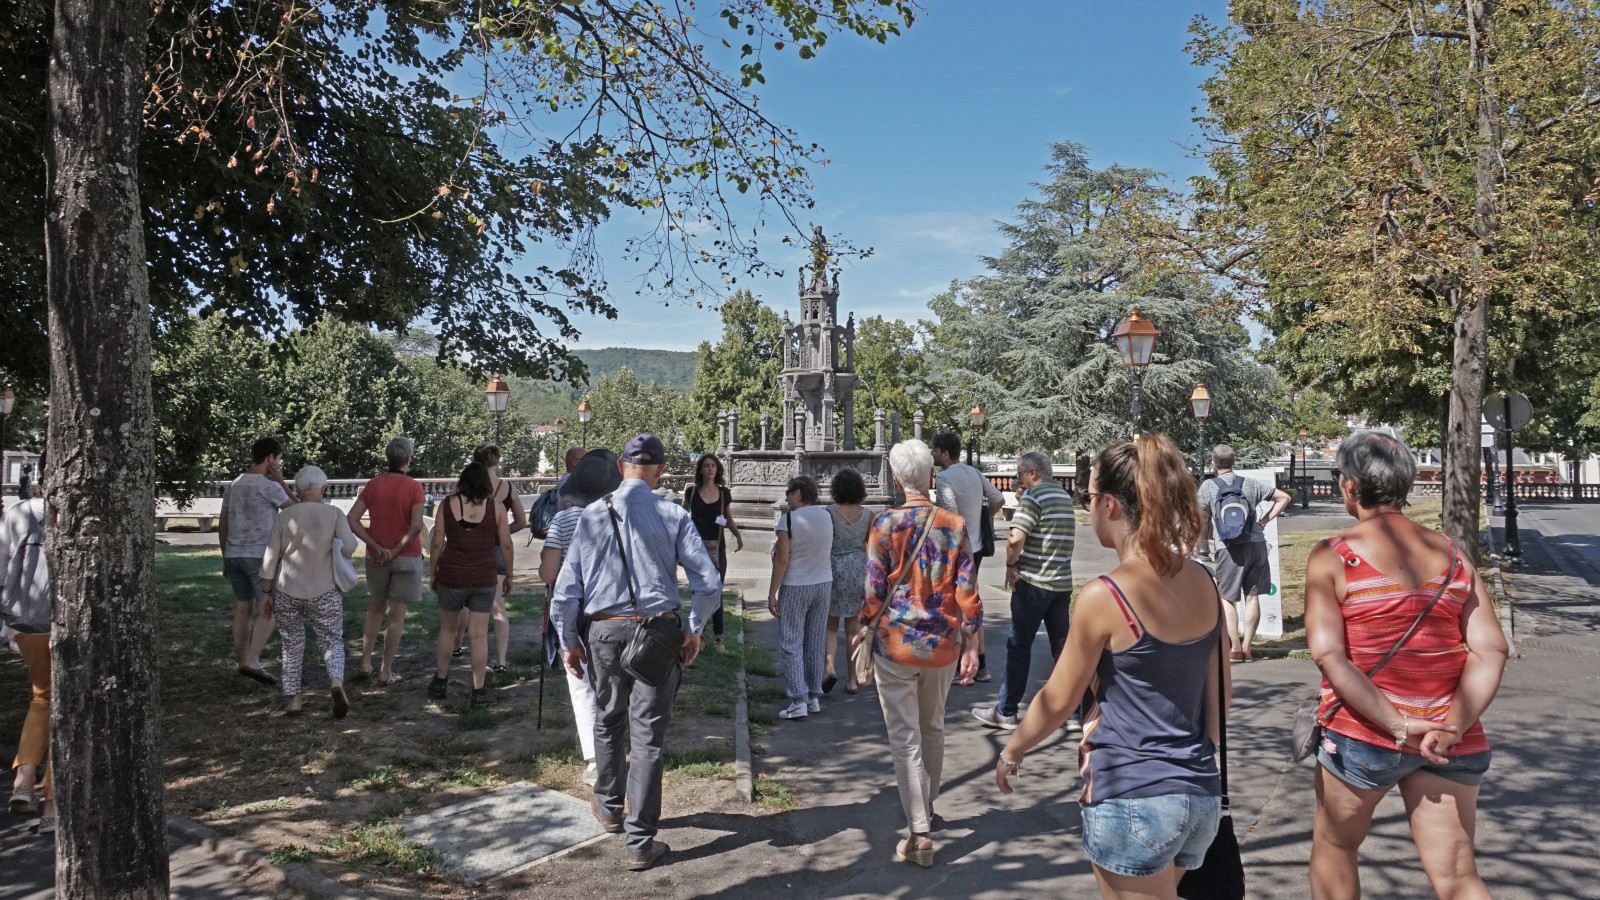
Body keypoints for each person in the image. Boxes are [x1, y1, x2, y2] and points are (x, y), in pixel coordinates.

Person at [996, 435, 1227, 898]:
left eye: (1090, 496)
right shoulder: (1204, 580)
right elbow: (1218, 700)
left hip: (1132, 795)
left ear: (1112, 506)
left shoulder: (1107, 595)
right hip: (1200, 794)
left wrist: (1012, 750)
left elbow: (1059, 698)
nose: (1088, 504)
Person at [1305, 431, 1506, 900]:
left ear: (1350, 486)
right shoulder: (1454, 555)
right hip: (1448, 739)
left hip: (1365, 735)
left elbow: (1328, 653)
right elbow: (1491, 648)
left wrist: (1399, 725)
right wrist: (1451, 725)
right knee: (1457, 875)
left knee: (1335, 846)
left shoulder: (1334, 556)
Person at [550, 434, 722, 871]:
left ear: (622, 467)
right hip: (657, 634)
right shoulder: (672, 513)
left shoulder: (588, 516)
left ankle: (609, 807)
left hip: (604, 630)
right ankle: (640, 842)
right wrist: (694, 630)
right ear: (660, 470)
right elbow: (708, 583)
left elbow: (565, 591)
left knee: (607, 719)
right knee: (647, 736)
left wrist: (569, 640)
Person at [850, 438, 980, 868]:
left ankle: (920, 831)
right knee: (934, 728)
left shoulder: (884, 525)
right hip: (942, 644)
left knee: (904, 738)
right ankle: (927, 806)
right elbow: (967, 591)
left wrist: (865, 623)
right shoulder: (955, 525)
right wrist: (972, 641)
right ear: (931, 475)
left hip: (896, 646)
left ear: (894, 478)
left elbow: (874, 589)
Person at [972, 451, 1078, 732]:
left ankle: (1006, 711)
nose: (1016, 479)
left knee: (1019, 646)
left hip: (1033, 583)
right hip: (1061, 583)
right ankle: (1076, 711)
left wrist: (1011, 565)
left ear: (1033, 473)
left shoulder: (1034, 497)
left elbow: (1016, 537)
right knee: (1062, 648)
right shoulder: (1063, 497)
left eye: (1019, 474)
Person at [538, 449, 621, 788]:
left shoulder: (563, 521)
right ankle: (616, 745)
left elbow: (547, 573)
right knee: (613, 680)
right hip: (612, 607)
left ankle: (593, 757)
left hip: (573, 608)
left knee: (580, 682)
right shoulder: (618, 517)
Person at [260, 466, 357, 718]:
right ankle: (335, 682)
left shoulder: (286, 516)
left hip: (287, 589)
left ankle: (294, 700)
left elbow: (270, 556)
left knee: (291, 643)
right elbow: (350, 548)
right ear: (323, 488)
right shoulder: (334, 514)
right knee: (331, 640)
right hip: (324, 589)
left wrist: (266, 591)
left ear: (297, 490)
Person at [428, 462, 514, 707]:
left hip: (452, 575)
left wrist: (433, 573)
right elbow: (506, 545)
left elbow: (436, 541)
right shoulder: (496, 508)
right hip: (484, 577)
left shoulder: (446, 505)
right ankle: (479, 690)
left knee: (447, 630)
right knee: (478, 634)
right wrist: (509, 574)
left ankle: (440, 681)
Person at [1198, 444, 1291, 662]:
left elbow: (1198, 516)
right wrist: (1264, 520)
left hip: (1228, 548)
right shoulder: (1250, 484)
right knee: (1252, 597)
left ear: (1213, 463)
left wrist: (1202, 541)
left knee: (1227, 598)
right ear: (1233, 462)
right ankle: (1248, 648)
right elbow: (1284, 497)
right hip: (1256, 545)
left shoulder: (1208, 487)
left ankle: (1235, 648)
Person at [221, 437, 298, 686]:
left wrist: (225, 555)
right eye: (278, 459)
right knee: (268, 609)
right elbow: (298, 510)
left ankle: (244, 659)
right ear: (271, 459)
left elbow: (224, 522)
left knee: (243, 608)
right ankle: (252, 661)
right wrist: (282, 481)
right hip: (259, 556)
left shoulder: (234, 484)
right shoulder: (269, 487)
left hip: (234, 554)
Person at [348, 436, 426, 684]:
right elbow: (415, 527)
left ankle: (364, 662)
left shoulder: (373, 485)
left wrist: (375, 546)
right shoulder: (414, 487)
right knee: (396, 617)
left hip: (376, 558)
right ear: (408, 459)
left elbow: (352, 519)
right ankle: (386, 670)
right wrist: (394, 550)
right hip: (407, 556)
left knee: (375, 610)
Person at [2, 468, 53, 832]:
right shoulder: (83, 508)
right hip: (65, 620)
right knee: (73, 707)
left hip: (24, 620)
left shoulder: (17, 511)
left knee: (42, 698)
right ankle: (53, 806)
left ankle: (24, 781)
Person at [931, 431, 1004, 683]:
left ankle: (965, 667)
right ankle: (980, 666)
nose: (933, 454)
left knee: (956, 606)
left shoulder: (943, 478)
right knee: (972, 602)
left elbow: (949, 515)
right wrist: (985, 519)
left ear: (945, 453)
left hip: (957, 549)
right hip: (977, 546)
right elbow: (998, 498)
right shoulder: (974, 472)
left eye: (935, 450)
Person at [451, 445, 527, 672]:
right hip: (495, 550)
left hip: (469, 548)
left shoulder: (468, 485)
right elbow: (522, 522)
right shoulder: (507, 488)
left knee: (465, 602)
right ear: (497, 461)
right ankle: (501, 661)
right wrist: (501, 533)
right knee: (498, 608)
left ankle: (456, 645)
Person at [767, 474, 834, 719]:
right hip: (823, 583)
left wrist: (772, 592)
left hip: (796, 584)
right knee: (815, 641)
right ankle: (813, 695)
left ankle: (798, 698)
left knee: (791, 641)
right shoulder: (827, 516)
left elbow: (782, 559)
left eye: (789, 493)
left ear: (798, 493)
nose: (787, 498)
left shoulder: (789, 521)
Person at [683, 453, 744, 651]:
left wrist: (737, 535)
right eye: (706, 465)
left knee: (716, 591)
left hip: (718, 547)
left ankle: (719, 637)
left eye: (713, 466)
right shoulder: (691, 492)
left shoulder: (724, 492)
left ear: (717, 470)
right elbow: (682, 518)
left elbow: (728, 518)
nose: (710, 468)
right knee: (699, 590)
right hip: (696, 549)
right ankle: (700, 634)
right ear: (700, 469)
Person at [823, 467, 872, 695]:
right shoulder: (868, 515)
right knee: (853, 628)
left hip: (832, 569)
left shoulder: (828, 513)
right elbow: (873, 549)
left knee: (830, 626)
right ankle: (852, 680)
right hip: (857, 570)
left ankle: (830, 668)